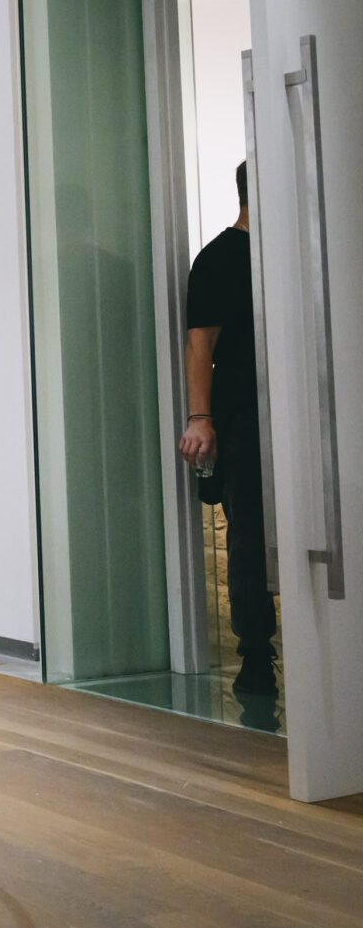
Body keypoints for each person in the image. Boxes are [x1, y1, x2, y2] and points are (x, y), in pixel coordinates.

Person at [178, 162, 278, 701]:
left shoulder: (286, 252)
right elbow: (201, 345)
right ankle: (256, 658)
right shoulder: (219, 258)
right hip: (243, 415)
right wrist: (201, 419)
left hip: (290, 413)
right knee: (249, 534)